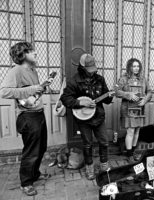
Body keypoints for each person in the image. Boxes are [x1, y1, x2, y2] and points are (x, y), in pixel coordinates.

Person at [0, 42, 51, 196]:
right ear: (23, 55)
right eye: (31, 51)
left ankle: (34, 174)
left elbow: (30, 95)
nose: (35, 53)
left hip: (38, 113)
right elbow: (4, 92)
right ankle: (26, 183)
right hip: (28, 117)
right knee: (31, 151)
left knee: (41, 147)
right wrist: (32, 88)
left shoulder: (32, 70)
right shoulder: (16, 71)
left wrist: (41, 88)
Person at [60, 53, 113, 180]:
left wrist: (109, 96)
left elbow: (106, 98)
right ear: (82, 67)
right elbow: (65, 98)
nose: (91, 73)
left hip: (99, 116)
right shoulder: (74, 81)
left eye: (93, 69)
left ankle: (104, 165)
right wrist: (79, 102)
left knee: (104, 142)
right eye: (88, 70)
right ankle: (89, 167)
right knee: (88, 144)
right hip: (83, 119)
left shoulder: (100, 79)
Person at [116, 58, 152, 163]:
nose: (136, 68)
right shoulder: (124, 79)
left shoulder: (143, 79)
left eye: (137, 66)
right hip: (128, 108)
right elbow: (116, 91)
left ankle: (134, 151)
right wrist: (128, 94)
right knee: (131, 131)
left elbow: (149, 91)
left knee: (137, 131)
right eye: (133, 66)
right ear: (129, 67)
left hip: (139, 108)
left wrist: (145, 100)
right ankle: (129, 154)